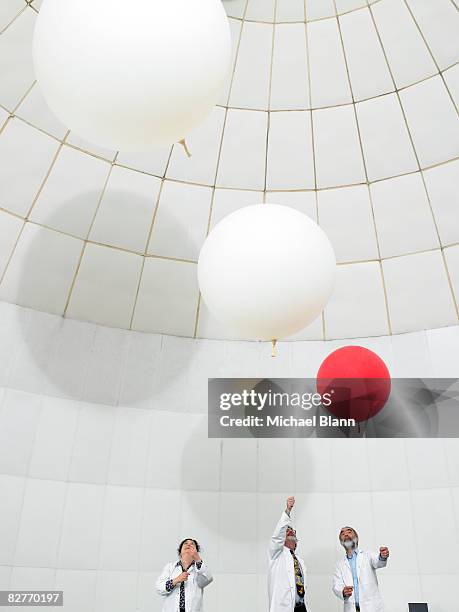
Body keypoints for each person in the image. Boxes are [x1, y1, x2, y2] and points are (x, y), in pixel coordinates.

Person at [332, 526, 389, 612]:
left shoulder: (368, 555)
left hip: (372, 607)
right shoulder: (339, 565)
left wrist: (382, 556)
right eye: (342, 533)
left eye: (349, 532)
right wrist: (342, 592)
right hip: (351, 608)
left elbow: (378, 561)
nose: (346, 534)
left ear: (357, 537)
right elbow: (336, 585)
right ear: (341, 542)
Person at [268, 496, 308, 612]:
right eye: (287, 530)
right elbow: (277, 537)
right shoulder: (276, 554)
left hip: (301, 607)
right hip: (284, 608)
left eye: (292, 530)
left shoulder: (299, 561)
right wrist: (287, 512)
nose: (290, 531)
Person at [156, 538, 213, 612]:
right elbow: (159, 588)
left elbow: (207, 579)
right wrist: (176, 580)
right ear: (180, 552)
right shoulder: (170, 567)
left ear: (196, 551)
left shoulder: (199, 569)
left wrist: (197, 559)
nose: (189, 544)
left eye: (192, 544)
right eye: (186, 543)